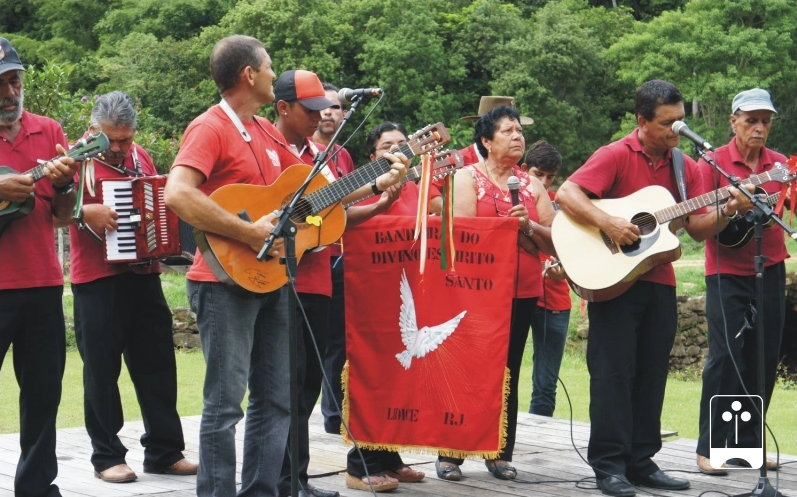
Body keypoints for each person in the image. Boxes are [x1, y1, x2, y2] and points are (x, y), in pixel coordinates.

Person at [164, 36, 407, 497]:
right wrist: (246, 232)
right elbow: (177, 194)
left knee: (276, 400)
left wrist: (379, 178)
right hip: (221, 280)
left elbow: (314, 197)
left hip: (271, 276)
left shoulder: (268, 132)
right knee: (225, 404)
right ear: (248, 75)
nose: (275, 75)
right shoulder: (210, 126)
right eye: (270, 68)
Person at [556, 79, 753, 497]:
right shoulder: (615, 154)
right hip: (612, 282)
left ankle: (641, 461)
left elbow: (698, 228)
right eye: (668, 123)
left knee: (650, 374)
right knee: (612, 375)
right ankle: (609, 466)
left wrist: (730, 206)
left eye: (681, 121)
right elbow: (567, 192)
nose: (676, 129)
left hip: (659, 281)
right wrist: (607, 222)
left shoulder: (686, 166)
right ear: (642, 121)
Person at [57, 91, 197, 483]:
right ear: (93, 129)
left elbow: (156, 200)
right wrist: (86, 211)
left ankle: (165, 451)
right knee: (101, 371)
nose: (119, 148)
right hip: (97, 281)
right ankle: (106, 457)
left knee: (158, 366)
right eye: (111, 139)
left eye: (126, 138)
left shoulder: (140, 158)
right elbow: (48, 208)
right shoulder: (74, 159)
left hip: (145, 275)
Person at [435, 105, 556, 482]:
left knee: (508, 372)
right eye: (507, 131)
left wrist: (530, 226)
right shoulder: (466, 178)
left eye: (519, 130)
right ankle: (451, 453)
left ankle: (499, 452)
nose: (517, 136)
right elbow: (465, 235)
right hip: (475, 293)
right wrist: (509, 231)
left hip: (520, 293)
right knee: (466, 370)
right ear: (486, 141)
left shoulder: (532, 186)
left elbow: (556, 241)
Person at [0, 36, 78, 497]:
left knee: (43, 397)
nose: (11, 93)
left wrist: (66, 185)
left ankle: (37, 488)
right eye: (2, 84)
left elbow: (64, 216)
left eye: (16, 81)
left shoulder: (49, 131)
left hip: (43, 285)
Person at [695, 88, 787, 475]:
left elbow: (778, 213)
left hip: (771, 268)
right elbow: (698, 225)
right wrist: (731, 205)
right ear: (733, 121)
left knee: (762, 359)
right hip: (726, 274)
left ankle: (746, 447)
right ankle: (709, 447)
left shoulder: (780, 164)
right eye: (751, 120)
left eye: (765, 121)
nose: (759, 128)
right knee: (725, 360)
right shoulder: (712, 162)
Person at [343, 121, 435, 493]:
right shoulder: (360, 187)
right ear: (373, 156)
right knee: (372, 375)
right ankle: (359, 463)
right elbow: (337, 225)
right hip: (368, 294)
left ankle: (389, 459)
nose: (396, 149)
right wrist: (384, 202)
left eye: (402, 143)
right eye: (386, 146)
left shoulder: (416, 185)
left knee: (399, 376)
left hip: (406, 293)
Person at [273, 69, 341, 497]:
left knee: (308, 388)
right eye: (310, 109)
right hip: (278, 280)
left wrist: (383, 190)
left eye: (324, 109)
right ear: (283, 108)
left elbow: (333, 217)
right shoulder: (267, 146)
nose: (321, 117)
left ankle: (296, 479)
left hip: (318, 282)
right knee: (283, 387)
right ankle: (280, 481)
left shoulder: (322, 155)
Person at [315, 82, 356, 435]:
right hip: (312, 255)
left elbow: (347, 207)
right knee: (319, 340)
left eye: (336, 108)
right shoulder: (300, 150)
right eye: (323, 106)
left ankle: (335, 411)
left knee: (340, 340)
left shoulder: (343, 155)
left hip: (341, 255)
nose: (329, 112)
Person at [522, 140, 570, 417]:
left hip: (554, 299)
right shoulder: (507, 198)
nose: (543, 181)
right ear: (525, 169)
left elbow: (572, 254)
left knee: (546, 383)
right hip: (516, 296)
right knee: (504, 374)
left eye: (550, 177)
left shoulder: (560, 206)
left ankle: (541, 444)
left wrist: (564, 270)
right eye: (538, 174)